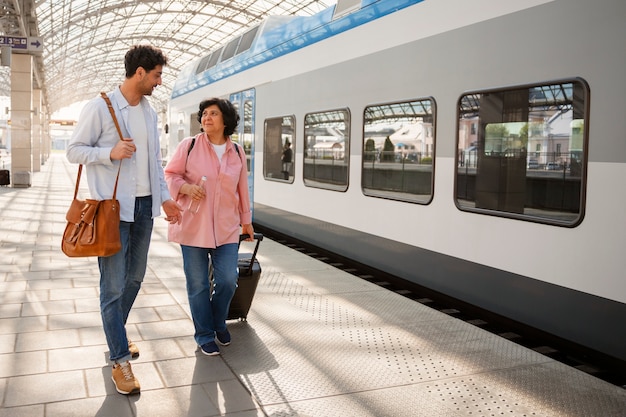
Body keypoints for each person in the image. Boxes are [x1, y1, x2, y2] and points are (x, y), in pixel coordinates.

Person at [66, 45, 183, 395]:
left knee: (134, 279)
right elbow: (74, 150)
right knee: (112, 286)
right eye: (157, 75)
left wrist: (165, 198)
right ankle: (119, 359)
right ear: (140, 73)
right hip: (112, 209)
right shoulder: (100, 107)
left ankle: (115, 330)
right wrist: (109, 153)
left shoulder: (148, 112)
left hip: (145, 208)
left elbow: (154, 162)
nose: (159, 83)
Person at [164, 97, 254, 356]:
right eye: (204, 114)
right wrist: (185, 187)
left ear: (226, 120)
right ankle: (204, 334)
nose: (206, 118)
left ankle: (217, 322)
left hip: (226, 228)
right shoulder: (189, 146)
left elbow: (241, 189)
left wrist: (246, 221)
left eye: (213, 114)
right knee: (198, 284)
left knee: (227, 280)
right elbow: (170, 174)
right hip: (193, 226)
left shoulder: (236, 152)